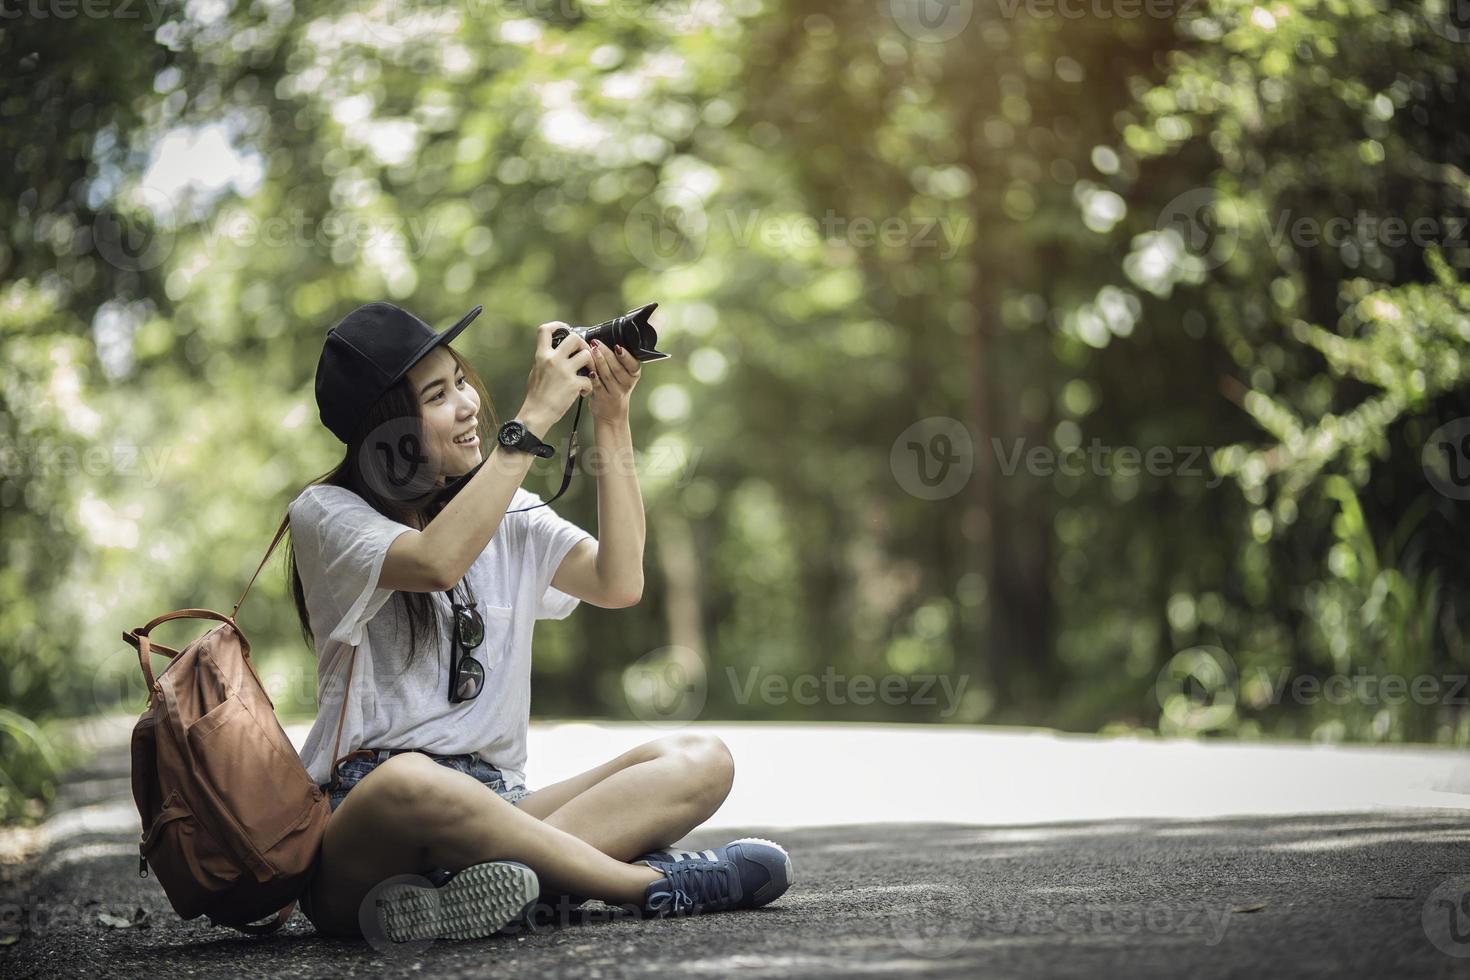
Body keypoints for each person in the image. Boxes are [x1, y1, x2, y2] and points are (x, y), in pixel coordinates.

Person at [284, 301, 791, 942]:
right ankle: (643, 885)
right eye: (438, 395)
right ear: (388, 430)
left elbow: (619, 582)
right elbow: (437, 562)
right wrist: (533, 420)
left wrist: (612, 416)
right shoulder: (328, 513)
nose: (469, 404)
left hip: (503, 809)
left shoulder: (512, 512)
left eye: (461, 381)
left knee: (701, 757)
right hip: (369, 833)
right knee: (409, 779)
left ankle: (489, 895)